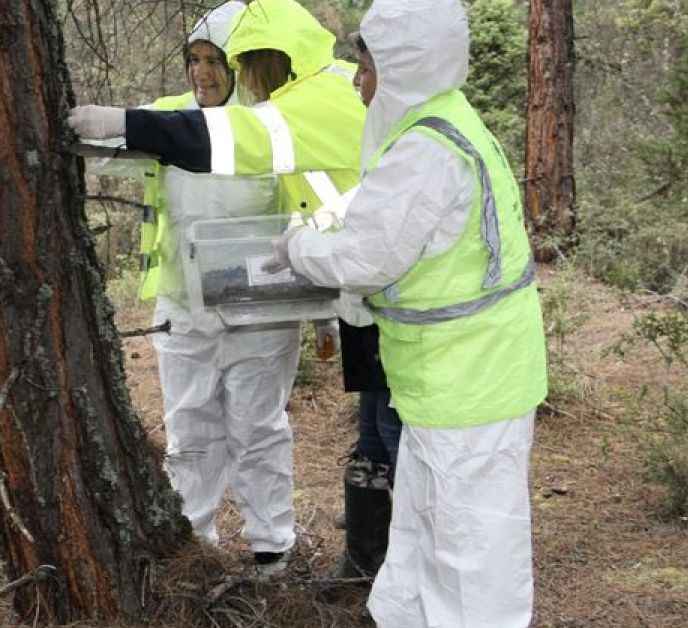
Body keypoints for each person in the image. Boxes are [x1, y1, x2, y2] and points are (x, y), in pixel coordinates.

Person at [264, 0, 548, 625]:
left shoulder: (428, 148)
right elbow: (392, 223)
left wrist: (298, 246)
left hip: (471, 380)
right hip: (451, 378)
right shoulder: (443, 121)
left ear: (400, 66)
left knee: (472, 547)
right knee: (424, 517)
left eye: (365, 70)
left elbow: (365, 259)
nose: (360, 85)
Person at [70, 0, 374, 576]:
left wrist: (324, 309)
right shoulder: (172, 116)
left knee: (258, 427)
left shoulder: (273, 122)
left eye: (217, 61)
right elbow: (114, 137)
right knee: (190, 429)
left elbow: (307, 210)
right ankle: (194, 541)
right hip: (184, 312)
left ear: (242, 65)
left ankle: (271, 546)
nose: (203, 73)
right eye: (194, 59)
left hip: (261, 314)